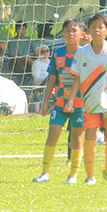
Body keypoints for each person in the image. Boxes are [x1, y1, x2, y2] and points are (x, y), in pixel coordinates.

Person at [64, 13, 107, 184]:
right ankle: (90, 175)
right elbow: (76, 77)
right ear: (88, 31)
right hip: (89, 102)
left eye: (100, 27)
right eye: (93, 27)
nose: (97, 30)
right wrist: (71, 99)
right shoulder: (82, 53)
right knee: (90, 136)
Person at [34, 19, 86, 183]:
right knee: (53, 134)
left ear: (81, 34)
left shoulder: (86, 54)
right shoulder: (58, 53)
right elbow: (52, 79)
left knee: (76, 137)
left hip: (80, 103)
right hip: (60, 102)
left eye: (74, 30)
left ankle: (73, 175)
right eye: (67, 30)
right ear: (62, 34)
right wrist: (45, 101)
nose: (71, 33)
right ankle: (45, 172)